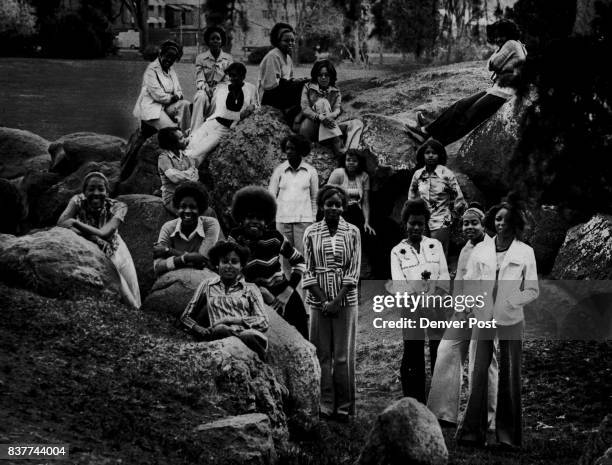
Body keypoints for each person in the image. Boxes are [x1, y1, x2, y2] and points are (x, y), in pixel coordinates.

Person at [457, 194, 539, 449]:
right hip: (483, 316)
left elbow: (532, 289)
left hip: (511, 318)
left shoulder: (525, 252)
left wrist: (512, 300)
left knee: (510, 374)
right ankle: (472, 433)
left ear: (514, 222)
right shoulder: (480, 250)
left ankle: (508, 437)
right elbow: (470, 282)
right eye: (497, 218)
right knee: (479, 372)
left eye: (505, 219)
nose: (499, 223)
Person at [427, 204, 498, 429]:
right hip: (462, 312)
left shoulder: (493, 248)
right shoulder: (466, 248)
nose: (469, 227)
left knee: (483, 363)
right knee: (446, 350)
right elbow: (460, 281)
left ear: (483, 225)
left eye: (474, 222)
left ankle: (489, 420)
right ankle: (443, 413)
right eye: (465, 223)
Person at [405, 19, 527, 146]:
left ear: (508, 34)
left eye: (500, 36)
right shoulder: (517, 44)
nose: (497, 39)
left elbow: (492, 64)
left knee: (467, 119)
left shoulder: (511, 44)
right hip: (497, 90)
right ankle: (427, 130)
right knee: (461, 105)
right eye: (496, 36)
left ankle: (434, 143)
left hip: (503, 94)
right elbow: (493, 66)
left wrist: (498, 51)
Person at [303, 185, 361, 422]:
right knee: (322, 354)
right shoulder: (311, 232)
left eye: (338, 204)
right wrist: (324, 300)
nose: (333, 208)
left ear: (344, 207)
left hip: (345, 300)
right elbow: (308, 270)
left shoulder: (353, 232)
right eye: (329, 204)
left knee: (342, 356)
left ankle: (344, 407)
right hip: (318, 301)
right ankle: (325, 404)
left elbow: (353, 269)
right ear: (321, 206)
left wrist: (336, 300)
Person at [389, 198, 450, 403]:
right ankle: (414, 401)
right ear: (405, 222)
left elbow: (443, 276)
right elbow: (400, 283)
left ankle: (439, 401)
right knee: (413, 351)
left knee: (439, 349)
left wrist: (435, 300)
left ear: (425, 224)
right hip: (411, 307)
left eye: (420, 223)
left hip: (436, 305)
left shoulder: (435, 245)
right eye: (412, 223)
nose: (416, 227)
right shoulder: (397, 251)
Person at [228, 186, 309, 339]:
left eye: (259, 218)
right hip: (250, 294)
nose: (255, 222)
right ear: (241, 218)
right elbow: (230, 268)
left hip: (281, 291)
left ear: (266, 220)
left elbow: (299, 262)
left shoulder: (275, 237)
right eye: (250, 217)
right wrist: (257, 290)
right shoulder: (235, 237)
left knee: (301, 333)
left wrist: (288, 291)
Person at [57, 171, 141, 309]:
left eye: (101, 189)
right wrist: (93, 238)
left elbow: (105, 233)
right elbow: (61, 224)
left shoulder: (119, 207)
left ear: (107, 192)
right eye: (91, 189)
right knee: (120, 288)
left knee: (131, 287)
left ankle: (137, 313)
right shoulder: (77, 201)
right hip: (91, 246)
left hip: (115, 248)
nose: (96, 193)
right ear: (84, 191)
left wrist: (75, 223)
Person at [178, 241, 269, 361]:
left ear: (241, 266)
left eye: (234, 262)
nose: (229, 266)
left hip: (246, 334)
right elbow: (186, 316)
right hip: (218, 336)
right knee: (221, 329)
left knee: (249, 336)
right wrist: (198, 328)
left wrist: (231, 320)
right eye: (225, 261)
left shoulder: (251, 288)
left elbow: (263, 321)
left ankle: (260, 363)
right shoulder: (207, 285)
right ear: (217, 264)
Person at [186, 62, 258, 167]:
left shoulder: (251, 88)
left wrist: (252, 108)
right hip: (213, 122)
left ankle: (187, 172)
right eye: (230, 75)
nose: (232, 78)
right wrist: (242, 115)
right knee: (192, 143)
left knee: (199, 151)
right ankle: (178, 168)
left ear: (243, 76)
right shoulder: (223, 89)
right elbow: (223, 111)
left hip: (225, 129)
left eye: (235, 76)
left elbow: (256, 105)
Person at [268, 134, 318, 279]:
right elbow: (271, 195)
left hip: (304, 220)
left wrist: (313, 218)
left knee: (302, 258)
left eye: (293, 148)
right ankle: (288, 294)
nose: (289, 151)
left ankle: (303, 294)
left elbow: (315, 197)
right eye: (287, 148)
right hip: (282, 220)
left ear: (301, 150)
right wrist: (274, 216)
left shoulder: (310, 171)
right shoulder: (279, 170)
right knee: (284, 258)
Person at [408, 139, 466, 256]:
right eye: (427, 153)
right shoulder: (418, 174)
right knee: (421, 252)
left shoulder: (447, 174)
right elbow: (412, 194)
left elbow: (458, 197)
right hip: (422, 220)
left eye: (434, 153)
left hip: (441, 220)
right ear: (423, 155)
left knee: (439, 254)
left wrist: (454, 215)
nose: (430, 156)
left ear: (439, 155)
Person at [153, 182, 221, 276]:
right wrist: (188, 258)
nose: (187, 211)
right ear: (177, 208)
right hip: (174, 280)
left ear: (200, 209)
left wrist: (169, 251)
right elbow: (158, 267)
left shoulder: (210, 224)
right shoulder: (168, 228)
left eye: (192, 207)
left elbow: (203, 260)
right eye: (183, 207)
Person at [298, 60, 364, 156]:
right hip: (311, 128)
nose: (323, 78)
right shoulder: (308, 87)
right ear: (316, 76)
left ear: (331, 76)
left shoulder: (335, 91)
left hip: (328, 126)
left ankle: (350, 152)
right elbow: (305, 109)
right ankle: (338, 147)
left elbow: (337, 109)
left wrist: (330, 116)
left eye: (327, 75)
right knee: (322, 102)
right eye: (320, 75)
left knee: (357, 123)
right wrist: (321, 117)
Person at [133, 40, 191, 133]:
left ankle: (186, 135)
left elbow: (178, 89)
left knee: (185, 104)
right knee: (172, 130)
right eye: (167, 56)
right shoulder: (151, 70)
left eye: (172, 58)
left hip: (166, 106)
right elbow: (158, 95)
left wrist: (178, 95)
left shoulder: (170, 70)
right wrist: (173, 98)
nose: (169, 60)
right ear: (161, 55)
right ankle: (177, 136)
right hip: (152, 108)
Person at [257, 23, 308, 122]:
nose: (290, 43)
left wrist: (298, 80)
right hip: (269, 96)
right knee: (304, 87)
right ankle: (294, 117)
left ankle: (298, 115)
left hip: (280, 92)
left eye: (292, 40)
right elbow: (271, 85)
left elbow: (289, 79)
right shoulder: (273, 56)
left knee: (308, 85)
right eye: (286, 40)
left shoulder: (288, 58)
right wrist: (297, 83)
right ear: (277, 41)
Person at [190, 26, 234, 132]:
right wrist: (205, 88)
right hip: (206, 88)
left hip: (221, 88)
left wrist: (218, 87)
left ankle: (211, 128)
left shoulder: (228, 58)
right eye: (212, 39)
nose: (215, 41)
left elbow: (229, 80)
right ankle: (195, 131)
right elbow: (199, 78)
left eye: (218, 39)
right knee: (200, 97)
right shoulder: (201, 58)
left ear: (221, 41)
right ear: (208, 41)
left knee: (219, 96)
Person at [327, 149, 375, 236]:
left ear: (359, 162)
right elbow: (327, 196)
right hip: (339, 211)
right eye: (348, 160)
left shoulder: (364, 176)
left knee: (362, 235)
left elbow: (365, 202)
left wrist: (367, 222)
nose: (351, 163)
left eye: (354, 161)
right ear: (344, 161)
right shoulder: (338, 173)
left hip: (356, 211)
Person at [157, 127, 199, 215]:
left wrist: (183, 175)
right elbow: (174, 178)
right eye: (180, 138)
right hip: (172, 198)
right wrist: (189, 173)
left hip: (188, 196)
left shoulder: (186, 155)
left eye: (183, 137)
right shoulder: (164, 158)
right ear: (171, 143)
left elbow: (195, 177)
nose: (185, 140)